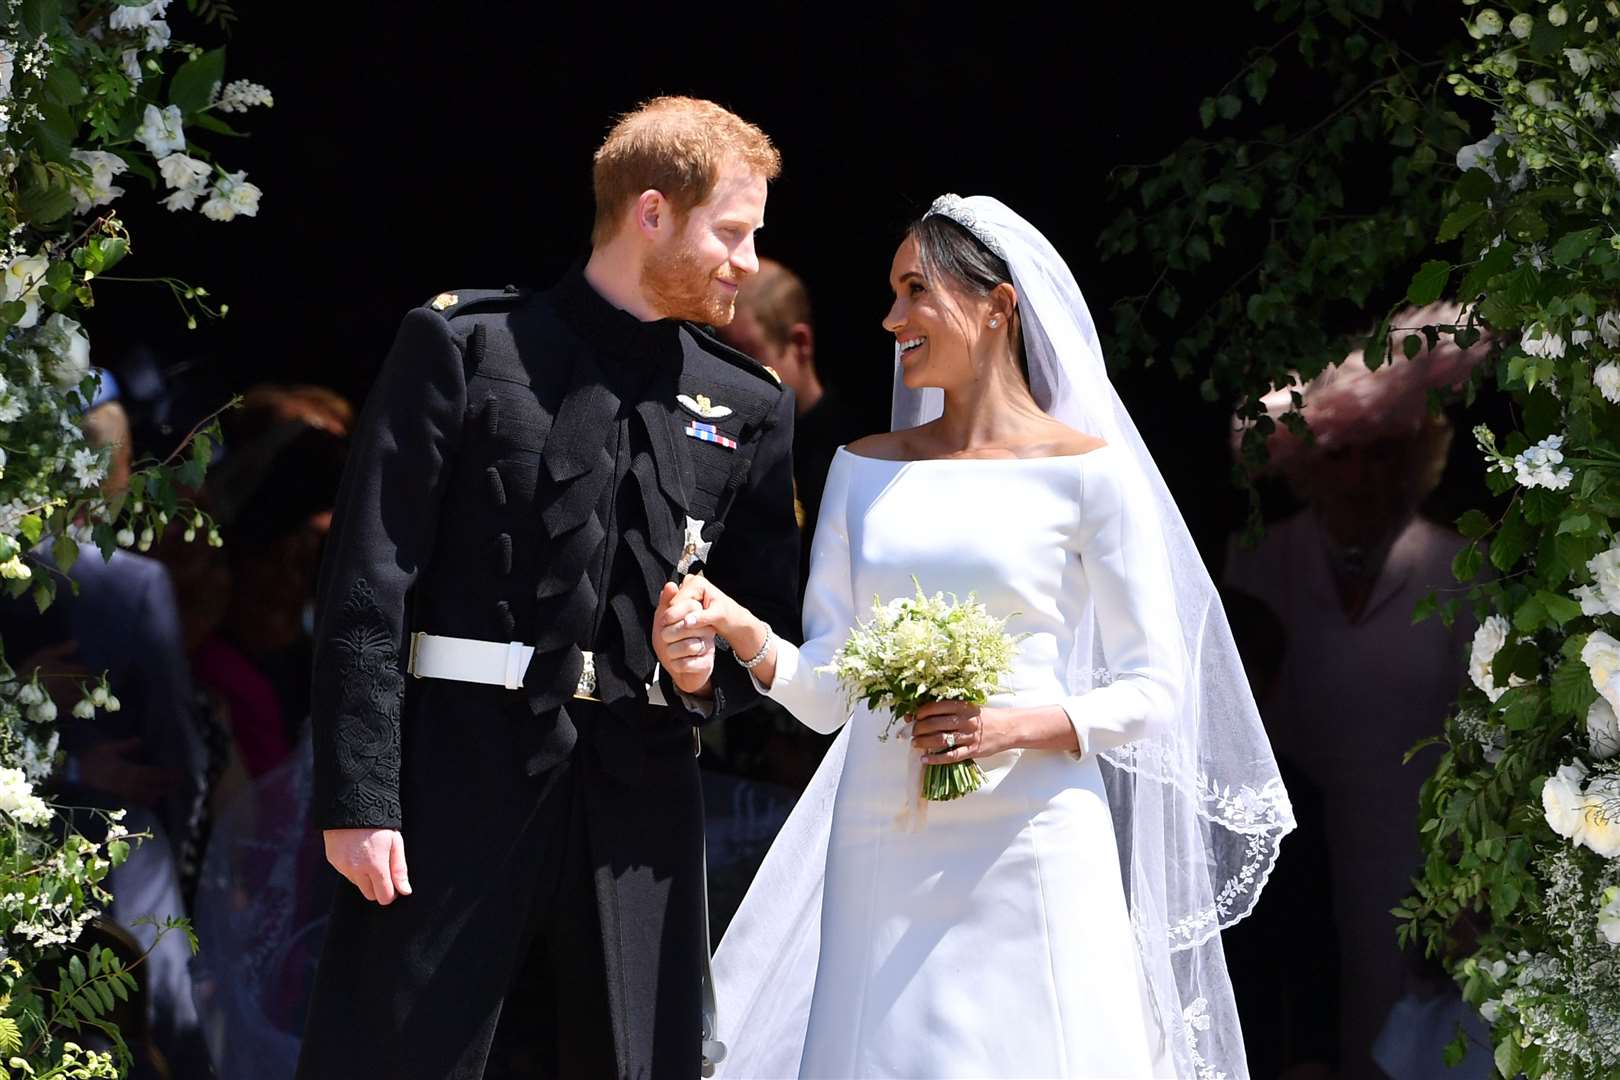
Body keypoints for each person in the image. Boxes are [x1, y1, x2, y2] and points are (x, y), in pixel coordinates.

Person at [659, 196, 1294, 1078]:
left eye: (916, 290)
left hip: (1034, 832)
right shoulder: (860, 470)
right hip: (882, 831)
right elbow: (830, 694)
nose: (891, 319)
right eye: (892, 293)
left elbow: (1156, 690)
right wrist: (743, 631)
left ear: (997, 306)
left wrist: (1012, 726)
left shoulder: (1089, 477)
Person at [294, 96, 800, 1080]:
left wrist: (706, 669)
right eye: (731, 233)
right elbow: (367, 584)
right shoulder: (465, 346)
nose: (747, 262)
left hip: (640, 802)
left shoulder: (750, 404)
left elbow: (765, 616)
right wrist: (359, 796)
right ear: (651, 213)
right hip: (454, 776)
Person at [1223, 307, 1487, 1080]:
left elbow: (1493, 742)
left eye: (1383, 452)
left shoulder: (1463, 569)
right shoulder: (1256, 561)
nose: (1362, 474)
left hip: (1421, 861)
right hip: (1291, 861)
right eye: (1342, 454)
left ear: (1419, 452)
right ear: (1306, 460)